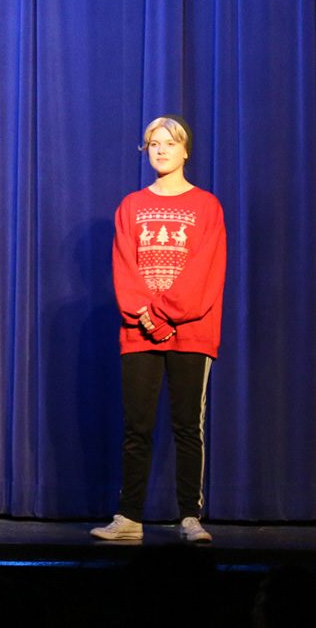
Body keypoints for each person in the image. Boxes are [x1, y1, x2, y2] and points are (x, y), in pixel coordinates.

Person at [91, 115, 226, 542]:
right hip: (139, 331)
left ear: (185, 150)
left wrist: (165, 313)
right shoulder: (131, 206)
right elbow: (124, 266)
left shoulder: (207, 206)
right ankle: (129, 517)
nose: (161, 150)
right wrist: (143, 315)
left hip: (191, 330)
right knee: (138, 426)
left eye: (169, 143)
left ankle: (190, 518)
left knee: (188, 425)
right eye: (153, 144)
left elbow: (206, 268)